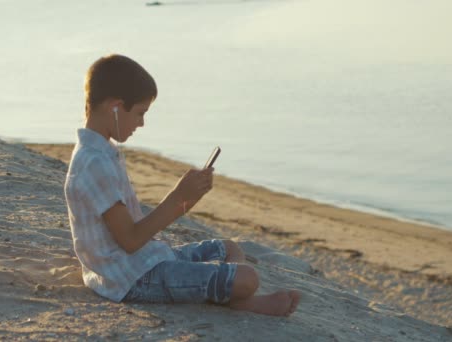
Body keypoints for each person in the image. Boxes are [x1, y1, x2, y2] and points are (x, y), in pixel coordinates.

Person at [64, 54, 300, 316]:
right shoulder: (93, 163)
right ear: (117, 108)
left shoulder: (102, 152)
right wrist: (178, 199)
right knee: (247, 279)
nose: (141, 123)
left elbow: (134, 236)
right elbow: (130, 240)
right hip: (131, 279)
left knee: (229, 248)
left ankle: (229, 295)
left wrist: (188, 198)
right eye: (140, 113)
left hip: (146, 259)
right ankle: (238, 300)